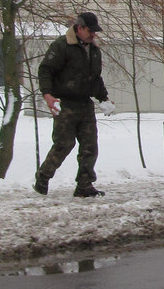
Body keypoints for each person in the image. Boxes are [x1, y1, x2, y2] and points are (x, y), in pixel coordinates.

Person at [34, 11, 114, 198]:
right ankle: (43, 177)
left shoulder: (94, 50)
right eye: (90, 30)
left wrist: (103, 98)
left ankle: (84, 185)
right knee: (64, 144)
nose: (93, 34)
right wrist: (47, 94)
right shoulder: (62, 46)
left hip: (85, 105)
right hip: (66, 103)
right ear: (79, 28)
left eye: (95, 31)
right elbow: (45, 70)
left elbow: (95, 78)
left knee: (90, 147)